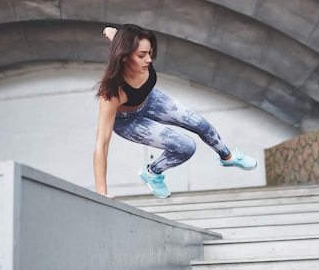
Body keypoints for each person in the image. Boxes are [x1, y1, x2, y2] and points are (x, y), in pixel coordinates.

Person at [93, 24, 257, 199]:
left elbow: (118, 38)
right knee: (186, 147)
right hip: (129, 122)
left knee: (200, 124)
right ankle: (152, 172)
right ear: (124, 57)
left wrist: (111, 33)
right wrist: (101, 192)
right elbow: (101, 145)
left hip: (150, 99)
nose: (148, 60)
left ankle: (228, 157)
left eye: (150, 53)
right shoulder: (112, 94)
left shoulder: (134, 51)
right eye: (141, 56)